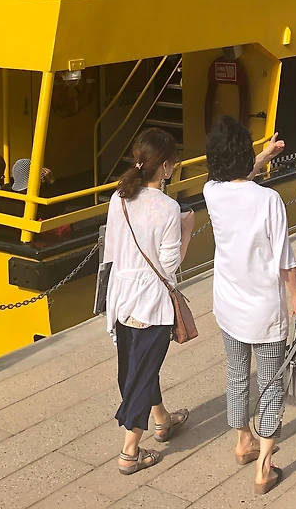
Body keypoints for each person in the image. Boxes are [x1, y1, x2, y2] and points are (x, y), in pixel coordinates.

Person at [203, 117, 296, 495]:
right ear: (244, 154)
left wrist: (263, 156)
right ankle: (264, 466)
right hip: (265, 310)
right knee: (272, 384)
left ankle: (242, 440)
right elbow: (285, 259)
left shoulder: (211, 192)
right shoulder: (269, 200)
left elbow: (235, 178)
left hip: (228, 305)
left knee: (237, 375)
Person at [102, 129, 194, 475]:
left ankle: (162, 419)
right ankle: (129, 452)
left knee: (136, 365)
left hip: (121, 296)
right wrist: (187, 231)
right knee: (142, 372)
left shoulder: (119, 197)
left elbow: (112, 250)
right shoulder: (169, 208)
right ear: (166, 167)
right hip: (151, 302)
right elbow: (169, 266)